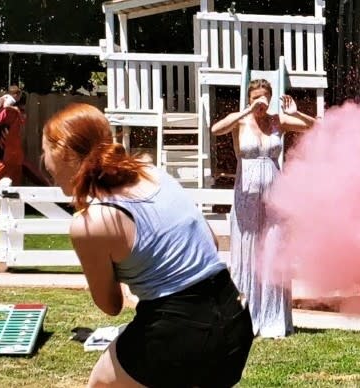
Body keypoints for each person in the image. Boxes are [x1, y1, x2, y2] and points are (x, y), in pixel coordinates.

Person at [41, 103, 254, 387]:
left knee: (103, 383)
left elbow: (110, 305)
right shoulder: (151, 171)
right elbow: (210, 242)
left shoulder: (89, 223)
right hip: (234, 319)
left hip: (178, 331)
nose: (44, 161)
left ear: (65, 153)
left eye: (46, 151)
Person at [211, 79, 317, 338]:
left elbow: (317, 127)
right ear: (249, 99)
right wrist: (248, 111)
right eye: (256, 98)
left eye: (265, 98)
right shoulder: (240, 120)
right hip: (246, 193)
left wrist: (296, 113)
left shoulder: (276, 121)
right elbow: (215, 129)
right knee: (247, 250)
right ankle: (245, 315)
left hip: (274, 193)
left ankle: (274, 317)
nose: (261, 103)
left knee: (273, 249)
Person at [0, 88, 26, 185]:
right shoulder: (11, 103)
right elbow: (5, 108)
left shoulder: (7, 102)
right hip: (11, 152)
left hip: (8, 151)